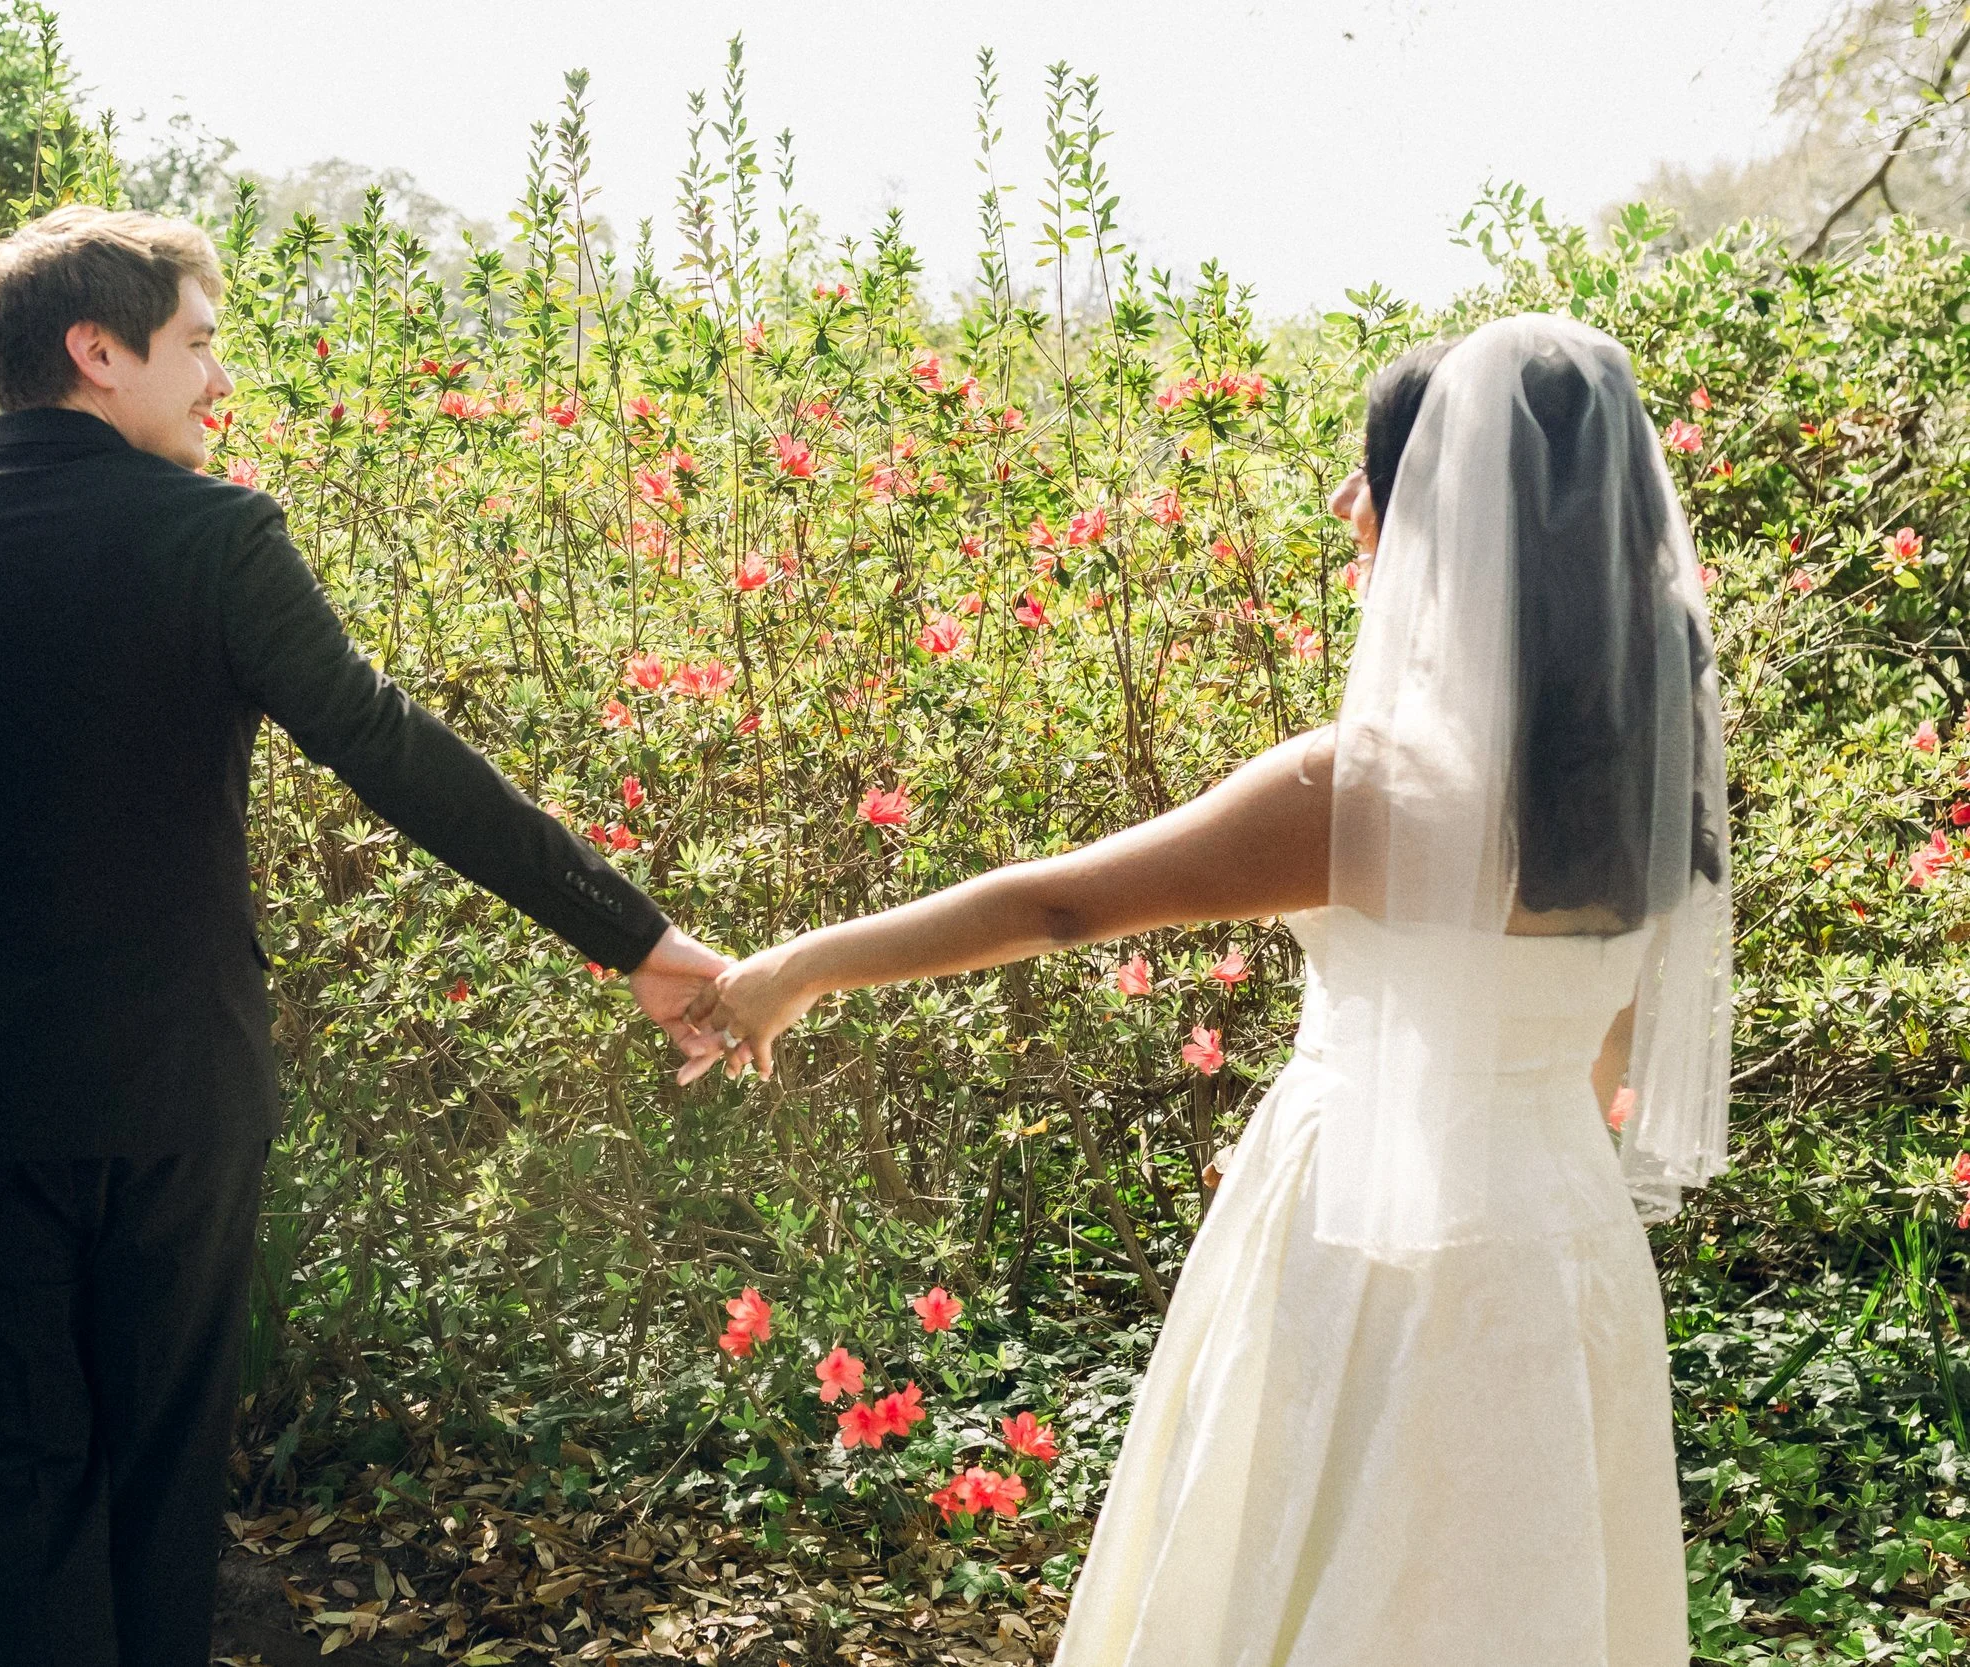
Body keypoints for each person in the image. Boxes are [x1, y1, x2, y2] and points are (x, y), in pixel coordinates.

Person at [685, 313, 1732, 1666]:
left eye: (1374, 472)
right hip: (1563, 1246)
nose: (1345, 501)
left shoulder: (1367, 786)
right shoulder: (1654, 782)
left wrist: (795, 967)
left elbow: (1061, 901)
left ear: (1447, 518)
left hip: (1365, 1245)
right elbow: (1610, 1048)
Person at [0, 205, 726, 1666]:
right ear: (99, 350)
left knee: (13, 1501)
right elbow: (394, 753)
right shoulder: (215, 538)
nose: (222, 380)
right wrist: (637, 937)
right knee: (163, 1498)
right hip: (178, 1102)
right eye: (202, 344)